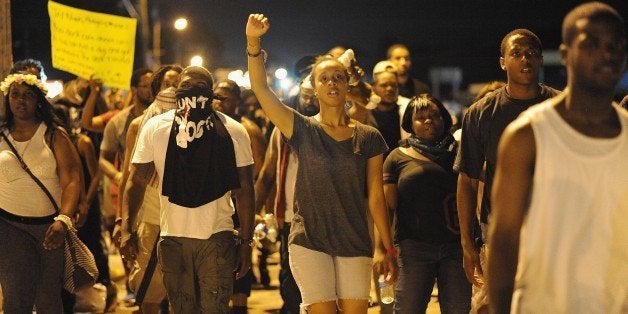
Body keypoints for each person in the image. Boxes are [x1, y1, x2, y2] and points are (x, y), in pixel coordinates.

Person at [247, 14, 397, 314]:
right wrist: (253, 42)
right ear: (313, 88)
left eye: (339, 77)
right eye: (324, 78)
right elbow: (261, 90)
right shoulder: (300, 128)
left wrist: (385, 246)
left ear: (348, 85)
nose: (332, 82)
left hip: (355, 240)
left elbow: (376, 195)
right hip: (309, 241)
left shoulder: (368, 136)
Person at [488, 3, 627, 313]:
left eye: (614, 46)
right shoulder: (528, 136)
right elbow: (504, 239)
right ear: (565, 54)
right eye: (590, 44)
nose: (606, 54)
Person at [122, 66, 255, 312]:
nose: (193, 90)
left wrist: (246, 243)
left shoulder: (233, 131)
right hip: (173, 236)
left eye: (200, 86)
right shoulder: (156, 128)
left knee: (214, 308)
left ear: (211, 93)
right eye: (187, 85)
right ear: (177, 91)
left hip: (217, 235)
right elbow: (136, 181)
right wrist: (125, 229)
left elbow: (246, 188)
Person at [454, 28, 559, 313]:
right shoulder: (481, 112)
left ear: (540, 61)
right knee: (495, 305)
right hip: (501, 229)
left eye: (532, 54)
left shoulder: (562, 108)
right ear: (503, 62)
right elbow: (467, 179)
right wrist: (467, 243)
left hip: (553, 227)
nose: (525, 59)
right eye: (516, 53)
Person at [0, 73, 82, 312]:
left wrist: (64, 219)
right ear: (8, 99)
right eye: (15, 94)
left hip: (50, 228)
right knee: (16, 295)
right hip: (9, 227)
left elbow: (72, 179)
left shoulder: (53, 134)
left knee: (48, 298)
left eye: (28, 95)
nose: (20, 100)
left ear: (38, 100)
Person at [383, 95, 470, 313]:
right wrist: (382, 249)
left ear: (444, 118)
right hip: (414, 247)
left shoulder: (461, 151)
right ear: (409, 124)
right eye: (420, 118)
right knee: (408, 309)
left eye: (434, 115)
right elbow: (387, 207)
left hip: (457, 247)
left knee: (458, 309)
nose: (429, 121)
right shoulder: (396, 157)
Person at [118, 64, 182, 314]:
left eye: (178, 85)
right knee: (149, 291)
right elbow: (130, 178)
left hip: (186, 222)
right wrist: (123, 224)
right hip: (151, 218)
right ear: (157, 89)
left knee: (182, 292)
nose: (172, 91)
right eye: (167, 85)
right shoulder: (138, 125)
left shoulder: (199, 126)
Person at [254, 74, 320, 313]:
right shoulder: (282, 129)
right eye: (306, 96)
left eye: (315, 96)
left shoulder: (335, 129)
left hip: (326, 218)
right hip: (291, 219)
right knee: (290, 280)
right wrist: (252, 212)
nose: (311, 101)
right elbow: (267, 175)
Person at [371, 61, 411, 157]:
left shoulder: (409, 108)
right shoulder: (365, 111)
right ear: (373, 87)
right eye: (384, 85)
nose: (389, 89)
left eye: (393, 85)